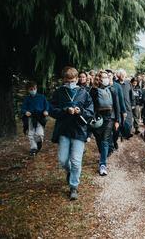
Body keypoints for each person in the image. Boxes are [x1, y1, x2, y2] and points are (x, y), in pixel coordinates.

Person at [50, 66, 94, 200]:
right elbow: (52, 109)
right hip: (64, 130)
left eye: (73, 80)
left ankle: (73, 186)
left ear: (77, 79)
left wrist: (80, 111)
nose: (70, 83)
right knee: (63, 160)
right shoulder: (59, 92)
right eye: (68, 80)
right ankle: (70, 172)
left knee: (76, 161)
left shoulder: (84, 92)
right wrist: (65, 110)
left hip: (79, 130)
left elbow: (90, 112)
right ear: (64, 79)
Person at [89, 70, 120, 176]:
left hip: (110, 118)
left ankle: (103, 164)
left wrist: (117, 120)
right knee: (99, 139)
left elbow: (117, 106)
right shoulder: (93, 91)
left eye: (107, 77)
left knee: (105, 140)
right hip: (98, 119)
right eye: (103, 77)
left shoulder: (112, 90)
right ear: (99, 78)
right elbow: (91, 105)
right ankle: (103, 154)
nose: (106, 78)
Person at [21, 81, 50, 156]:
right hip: (31, 117)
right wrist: (25, 112)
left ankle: (39, 142)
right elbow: (23, 108)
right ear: (28, 90)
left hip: (40, 117)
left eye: (34, 88)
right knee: (31, 133)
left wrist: (46, 111)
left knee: (39, 133)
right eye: (31, 89)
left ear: (36, 88)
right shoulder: (27, 99)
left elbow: (47, 105)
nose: (33, 90)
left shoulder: (42, 97)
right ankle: (33, 148)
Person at [116, 69, 135, 139]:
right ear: (118, 76)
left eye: (124, 74)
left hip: (127, 105)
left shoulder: (128, 83)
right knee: (120, 120)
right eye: (121, 74)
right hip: (119, 105)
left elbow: (131, 94)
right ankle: (120, 134)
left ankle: (127, 133)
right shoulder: (116, 83)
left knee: (129, 120)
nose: (123, 76)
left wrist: (133, 104)